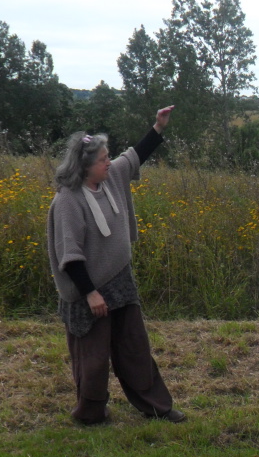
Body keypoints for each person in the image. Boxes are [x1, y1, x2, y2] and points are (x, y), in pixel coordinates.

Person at [47, 107, 185, 426]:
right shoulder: (68, 200)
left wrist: (158, 127)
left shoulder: (111, 178)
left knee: (135, 347)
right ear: (85, 166)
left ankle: (157, 407)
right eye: (102, 159)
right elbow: (70, 254)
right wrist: (91, 294)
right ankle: (91, 414)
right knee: (93, 359)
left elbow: (135, 156)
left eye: (108, 156)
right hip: (87, 292)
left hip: (120, 281)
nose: (109, 161)